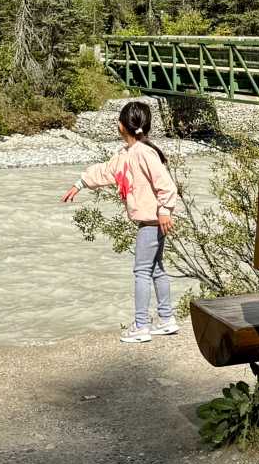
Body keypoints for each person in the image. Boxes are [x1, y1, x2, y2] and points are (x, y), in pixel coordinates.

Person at [63, 100, 181, 343]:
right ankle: (167, 319)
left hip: (151, 222)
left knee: (141, 272)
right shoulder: (126, 154)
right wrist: (80, 183)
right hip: (154, 221)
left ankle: (141, 326)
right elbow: (106, 171)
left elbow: (166, 185)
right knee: (156, 269)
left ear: (121, 126)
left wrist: (165, 210)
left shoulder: (144, 153)